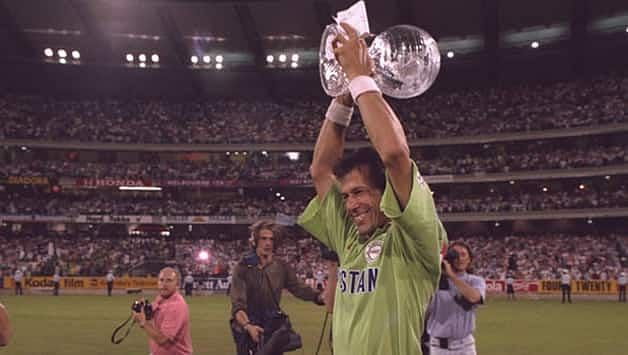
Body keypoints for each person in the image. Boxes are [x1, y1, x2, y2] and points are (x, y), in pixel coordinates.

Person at [298, 22, 446, 355]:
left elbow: (394, 154)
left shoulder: (415, 240)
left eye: (361, 192)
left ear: (387, 193)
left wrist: (361, 77)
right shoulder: (349, 238)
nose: (351, 204)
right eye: (347, 195)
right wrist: (344, 97)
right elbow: (321, 169)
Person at [230, 220, 324, 355]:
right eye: (263, 238)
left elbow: (299, 288)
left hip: (272, 330)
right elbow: (238, 306)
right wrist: (248, 326)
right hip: (249, 331)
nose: (268, 243)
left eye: (271, 239)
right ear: (255, 240)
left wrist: (319, 296)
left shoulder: (281, 266)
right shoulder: (243, 267)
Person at [426, 241, 486, 355]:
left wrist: (452, 276)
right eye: (455, 254)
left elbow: (474, 298)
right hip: (439, 347)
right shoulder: (434, 281)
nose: (459, 258)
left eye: (463, 254)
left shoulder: (475, 281)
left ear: (470, 259)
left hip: (466, 347)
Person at [132, 267, 193, 355]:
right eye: (161, 280)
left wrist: (142, 322)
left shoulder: (176, 305)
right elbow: (151, 313)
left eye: (169, 280)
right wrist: (143, 309)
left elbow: (162, 339)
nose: (164, 284)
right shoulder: (161, 298)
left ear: (177, 284)